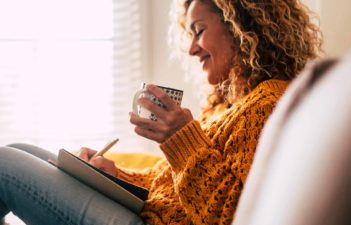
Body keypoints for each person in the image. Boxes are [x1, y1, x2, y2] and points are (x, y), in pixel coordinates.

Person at [0, 0, 322, 224]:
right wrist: (116, 176)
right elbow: (170, 188)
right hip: (147, 213)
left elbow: (232, 215)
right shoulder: (226, 106)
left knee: (3, 163)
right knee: (19, 150)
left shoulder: (268, 104)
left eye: (198, 30)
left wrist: (182, 139)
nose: (192, 48)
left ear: (240, 27)